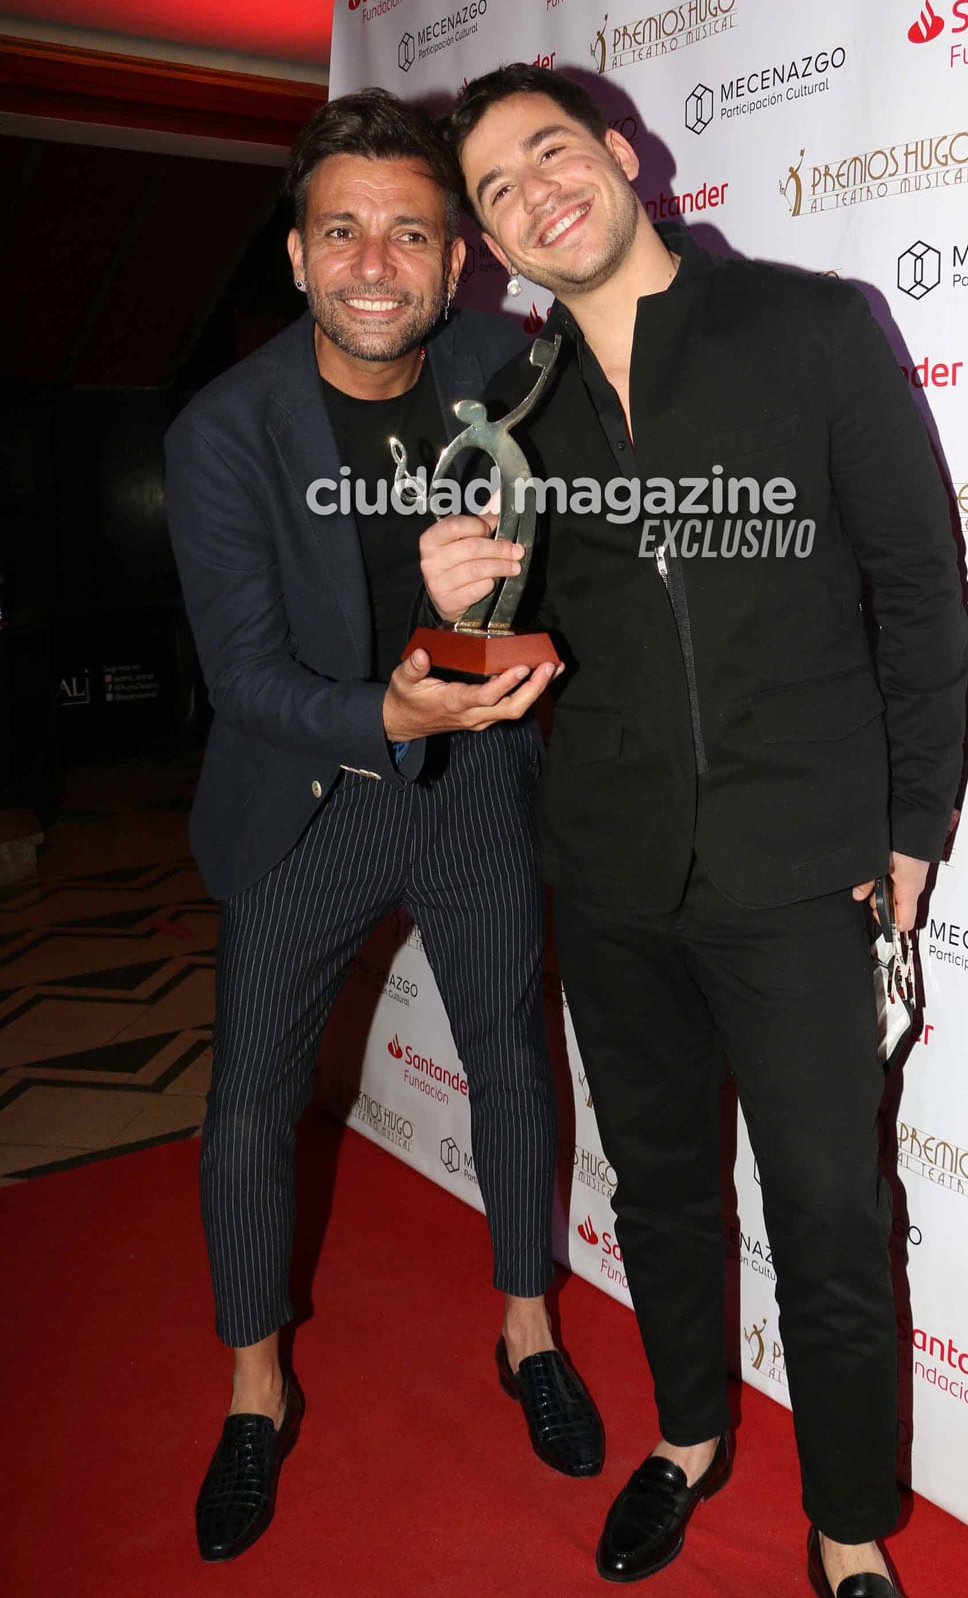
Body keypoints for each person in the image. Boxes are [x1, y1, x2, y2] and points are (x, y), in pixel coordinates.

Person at [421, 64, 968, 1596]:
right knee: (658, 1187)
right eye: (495, 191)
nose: (535, 194)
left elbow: (918, 593)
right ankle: (686, 1440)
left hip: (799, 870)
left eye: (549, 152)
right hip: (604, 873)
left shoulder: (810, 327)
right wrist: (463, 607)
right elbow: (517, 647)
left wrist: (912, 816)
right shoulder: (516, 407)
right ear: (493, 241)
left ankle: (849, 1524)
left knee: (828, 1218)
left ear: (620, 151)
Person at [165, 88, 603, 1565]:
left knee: (510, 1063)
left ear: (455, 260)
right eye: (341, 230)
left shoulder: (511, 364)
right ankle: (254, 1389)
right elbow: (246, 681)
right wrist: (394, 716)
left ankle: (528, 1329)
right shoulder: (226, 433)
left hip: (475, 784)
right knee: (248, 1106)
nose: (374, 261)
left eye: (409, 232)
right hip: (310, 799)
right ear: (295, 257)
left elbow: (617, 468)